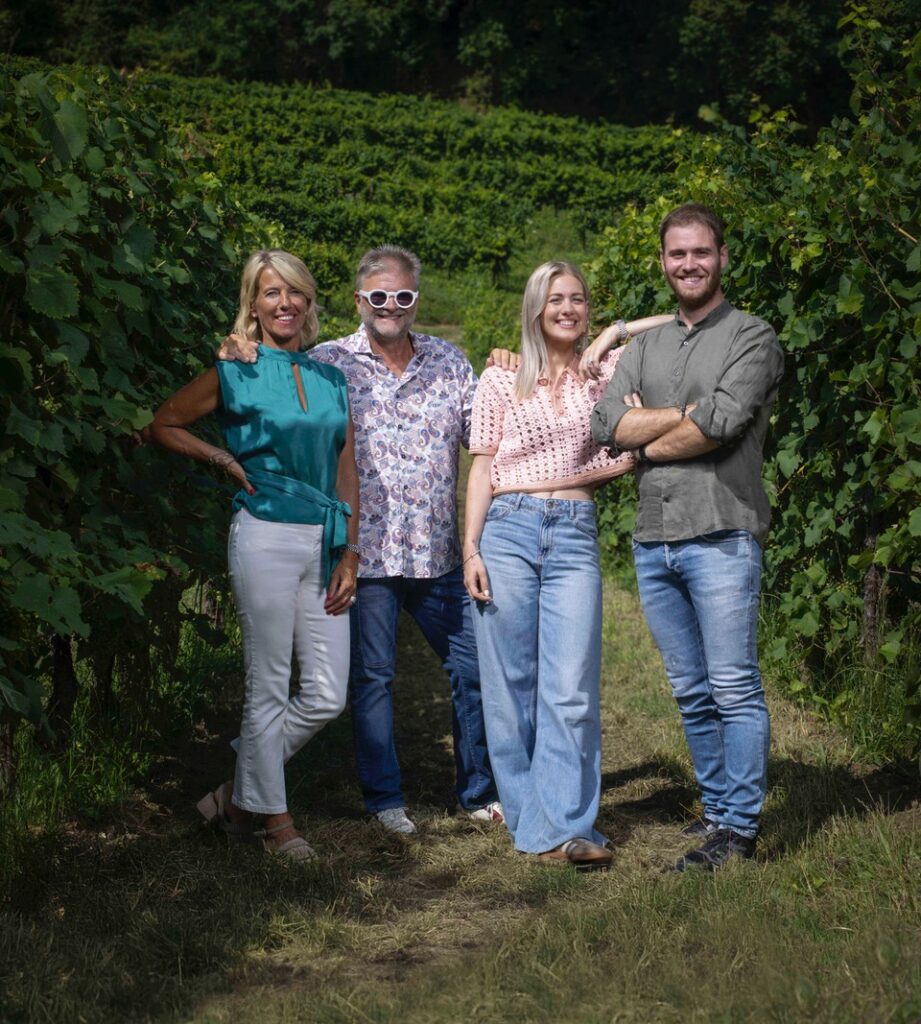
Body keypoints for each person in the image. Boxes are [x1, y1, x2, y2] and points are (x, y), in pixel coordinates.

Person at [220, 245, 502, 834]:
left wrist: (510, 372)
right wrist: (236, 350)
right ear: (359, 301)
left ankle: (477, 791)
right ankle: (385, 802)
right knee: (372, 681)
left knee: (472, 670)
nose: (390, 306)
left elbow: (488, 437)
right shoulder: (327, 363)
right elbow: (267, 375)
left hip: (437, 552)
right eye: (378, 296)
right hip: (362, 554)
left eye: (402, 296)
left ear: (415, 301)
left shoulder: (451, 363)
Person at [147, 249, 360, 860]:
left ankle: (238, 797)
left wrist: (350, 551)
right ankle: (275, 825)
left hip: (324, 539)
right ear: (253, 303)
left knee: (325, 694)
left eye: (294, 292)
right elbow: (165, 422)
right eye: (271, 293)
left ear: (309, 301)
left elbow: (347, 467)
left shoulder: (330, 379)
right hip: (263, 532)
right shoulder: (232, 367)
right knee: (267, 683)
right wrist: (221, 458)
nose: (284, 303)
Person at [591, 203, 785, 870]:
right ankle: (716, 810)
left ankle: (737, 830)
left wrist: (648, 444)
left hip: (722, 530)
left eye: (700, 252)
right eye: (677, 254)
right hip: (655, 538)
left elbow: (724, 421)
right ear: (663, 262)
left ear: (721, 257)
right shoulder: (642, 346)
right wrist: (677, 421)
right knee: (691, 691)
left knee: (732, 687)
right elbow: (607, 421)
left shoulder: (751, 337)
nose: (688, 264)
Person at [463, 260, 671, 867]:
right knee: (510, 685)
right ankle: (534, 822)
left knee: (572, 686)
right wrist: (470, 549)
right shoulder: (501, 379)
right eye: (556, 299)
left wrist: (614, 333)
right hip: (507, 529)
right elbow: (481, 467)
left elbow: (678, 324)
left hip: (575, 533)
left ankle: (568, 826)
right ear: (536, 307)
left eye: (578, 299)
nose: (569, 309)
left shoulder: (605, 372)